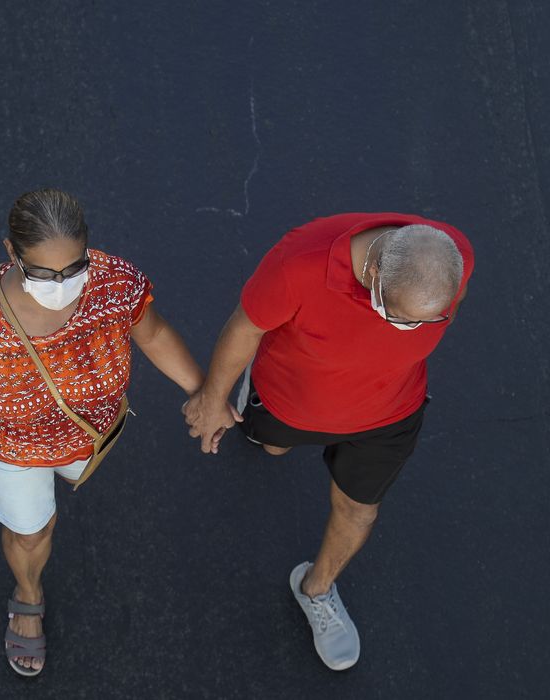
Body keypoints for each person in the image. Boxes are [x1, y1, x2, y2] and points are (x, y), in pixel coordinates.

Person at [0, 189, 221, 676]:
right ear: (11, 253)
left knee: (69, 479)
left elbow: (153, 333)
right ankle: (27, 594)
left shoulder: (116, 281)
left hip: (87, 433)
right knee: (32, 533)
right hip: (11, 443)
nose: (63, 285)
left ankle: (57, 493)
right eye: (45, 273)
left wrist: (207, 394)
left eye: (74, 269)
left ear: (88, 248)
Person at [183, 212, 474, 670]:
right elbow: (246, 327)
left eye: (423, 322)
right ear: (374, 273)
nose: (405, 330)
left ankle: (316, 588)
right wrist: (213, 399)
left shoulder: (452, 259)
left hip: (389, 415)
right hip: (290, 403)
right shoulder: (300, 264)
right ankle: (257, 411)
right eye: (397, 316)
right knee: (271, 447)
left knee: (359, 510)